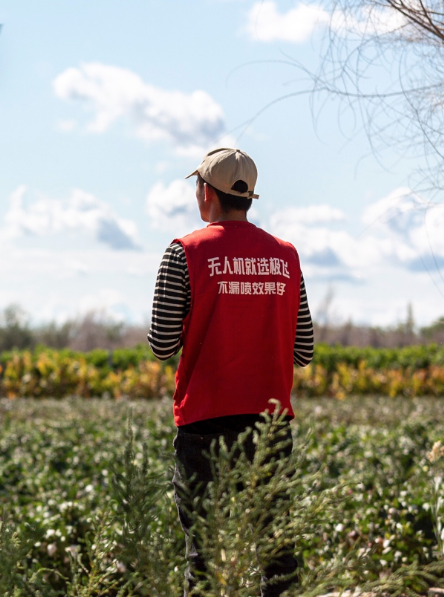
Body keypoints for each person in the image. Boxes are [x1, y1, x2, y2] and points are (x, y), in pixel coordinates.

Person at [147, 147, 314, 597]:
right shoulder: (286, 255)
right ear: (248, 197)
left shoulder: (184, 251)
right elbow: (305, 349)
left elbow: (162, 344)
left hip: (204, 421)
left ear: (205, 193)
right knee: (275, 551)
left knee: (204, 553)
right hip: (271, 424)